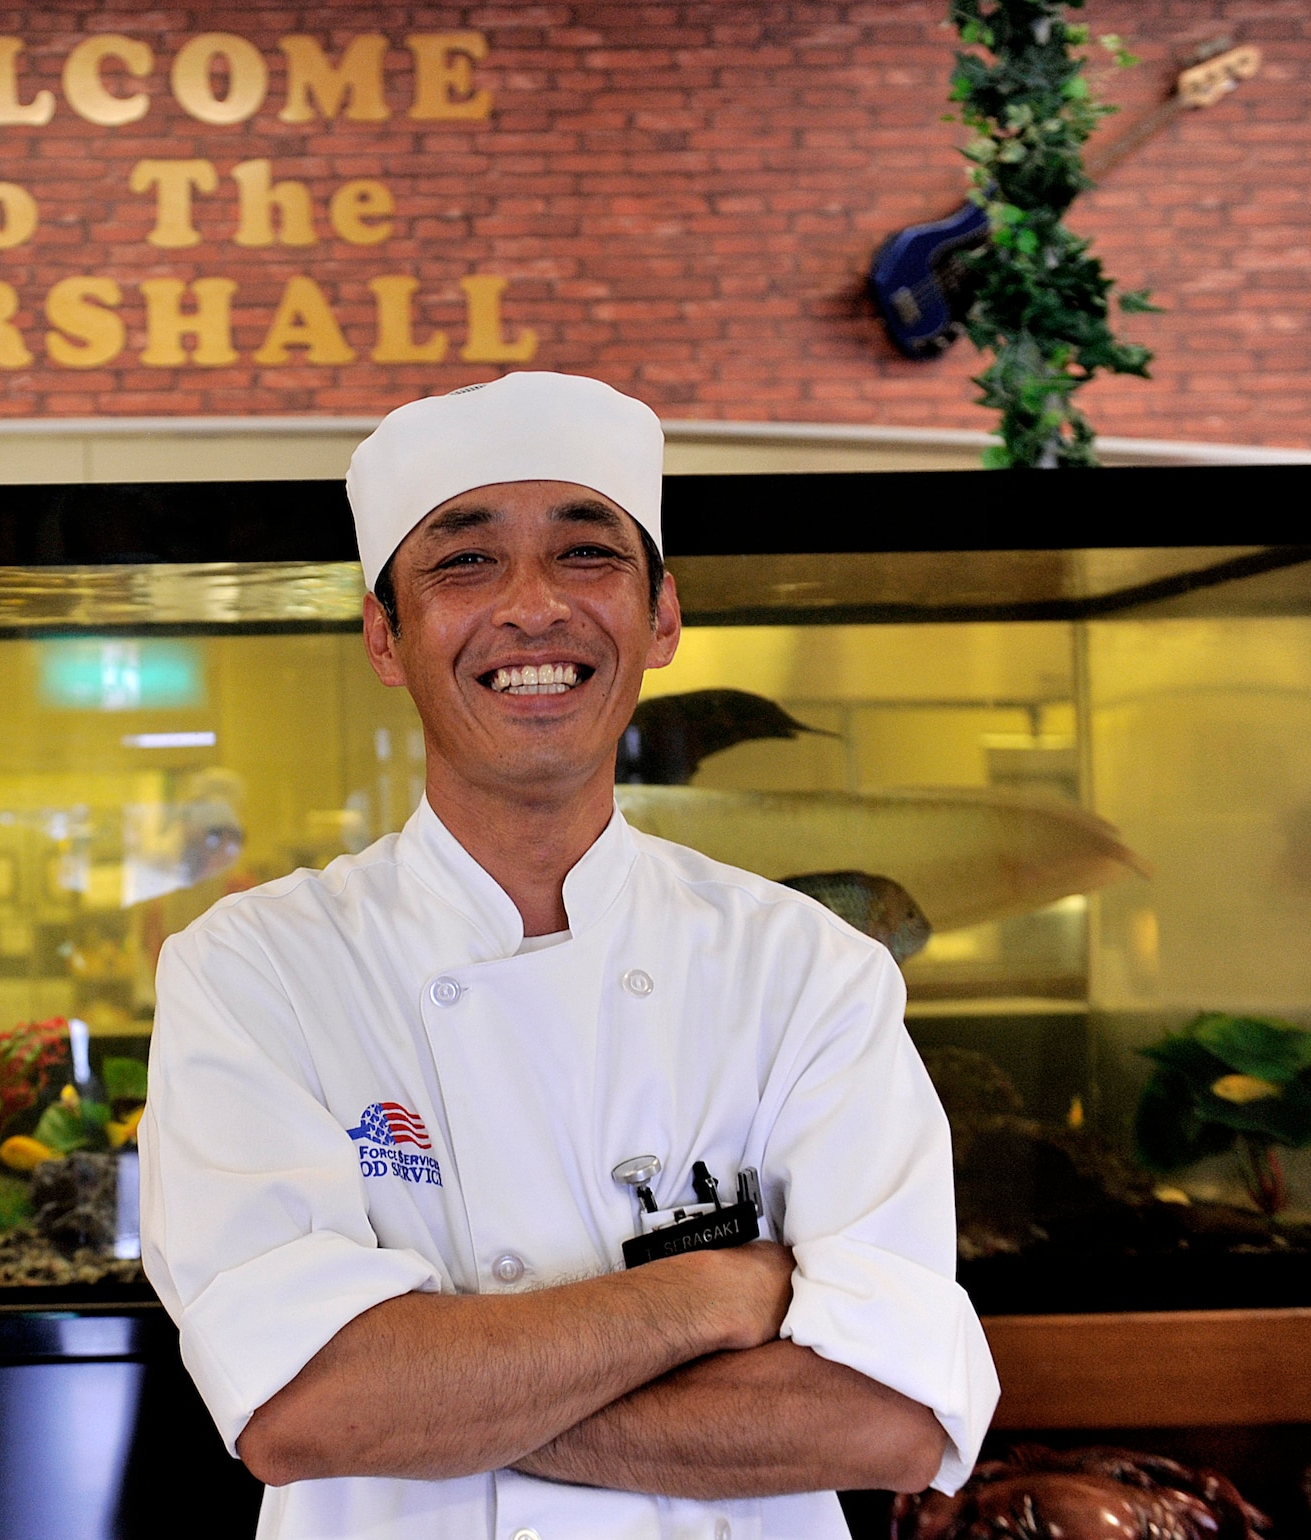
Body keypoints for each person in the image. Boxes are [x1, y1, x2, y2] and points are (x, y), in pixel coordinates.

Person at [141, 372, 999, 1540]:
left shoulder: (807, 970)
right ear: (384, 635)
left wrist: (426, 1395)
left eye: (585, 553)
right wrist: (713, 1293)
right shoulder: (254, 969)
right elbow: (303, 1408)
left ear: (660, 617)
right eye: (463, 561)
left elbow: (886, 1420)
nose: (532, 607)